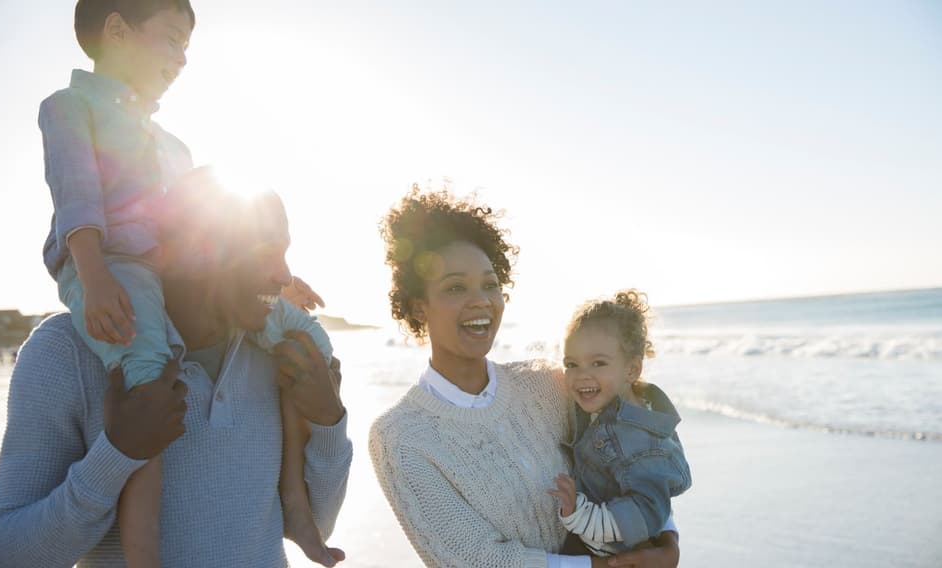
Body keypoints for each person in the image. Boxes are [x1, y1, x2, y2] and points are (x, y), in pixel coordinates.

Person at [39, 1, 336, 564]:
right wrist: (94, 276)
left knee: (306, 346)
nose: (180, 59)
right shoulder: (69, 108)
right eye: (172, 40)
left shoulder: (173, 147)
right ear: (118, 31)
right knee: (150, 382)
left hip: (169, 275)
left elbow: (209, 231)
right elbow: (74, 194)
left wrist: (278, 274)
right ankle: (143, 552)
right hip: (111, 266)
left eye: (187, 48)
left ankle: (296, 506)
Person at [0, 177, 353, 567]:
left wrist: (329, 420)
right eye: (266, 252)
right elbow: (7, 553)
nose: (284, 276)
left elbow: (316, 525)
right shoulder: (66, 351)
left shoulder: (271, 350)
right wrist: (117, 456)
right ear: (200, 251)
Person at [369, 187, 680, 568]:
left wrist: (666, 536)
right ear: (419, 306)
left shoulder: (548, 385)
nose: (481, 300)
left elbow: (633, 451)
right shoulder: (401, 438)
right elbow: (475, 560)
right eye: (455, 287)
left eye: (490, 284)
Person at [549, 291, 691, 557]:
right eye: (572, 364)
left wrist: (578, 514)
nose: (582, 375)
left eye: (598, 363)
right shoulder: (615, 405)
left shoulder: (639, 441)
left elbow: (646, 513)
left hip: (606, 552)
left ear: (631, 370)